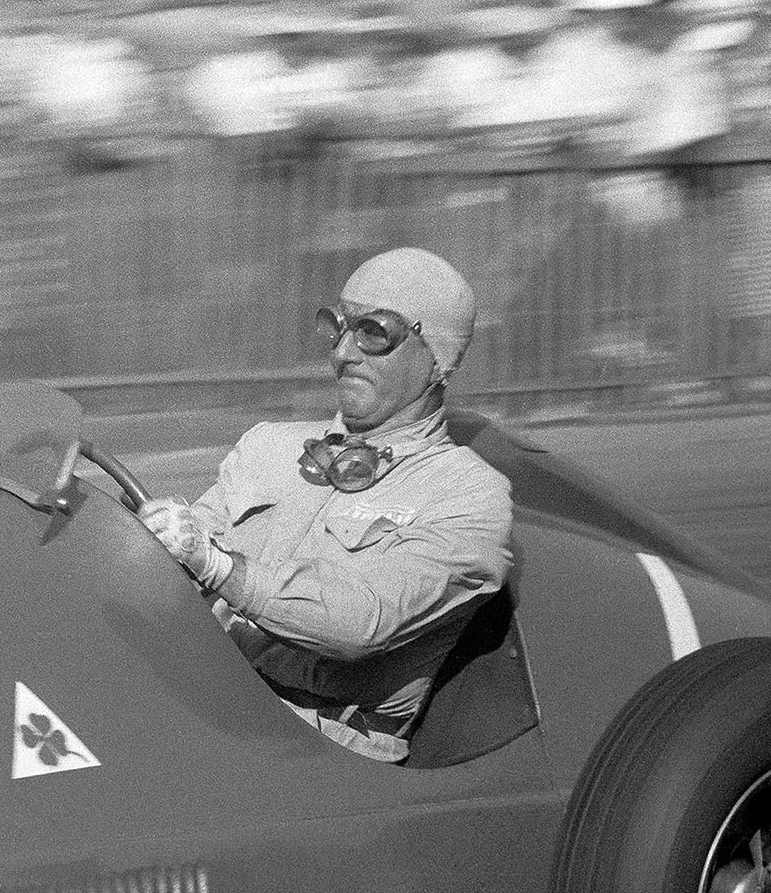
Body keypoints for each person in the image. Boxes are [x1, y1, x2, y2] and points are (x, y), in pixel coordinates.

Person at [139, 247, 513, 763]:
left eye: (374, 332)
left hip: (321, 749)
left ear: (437, 358)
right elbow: (187, 542)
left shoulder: (466, 495)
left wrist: (216, 565)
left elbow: (363, 623)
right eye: (337, 326)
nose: (343, 352)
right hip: (201, 690)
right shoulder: (267, 447)